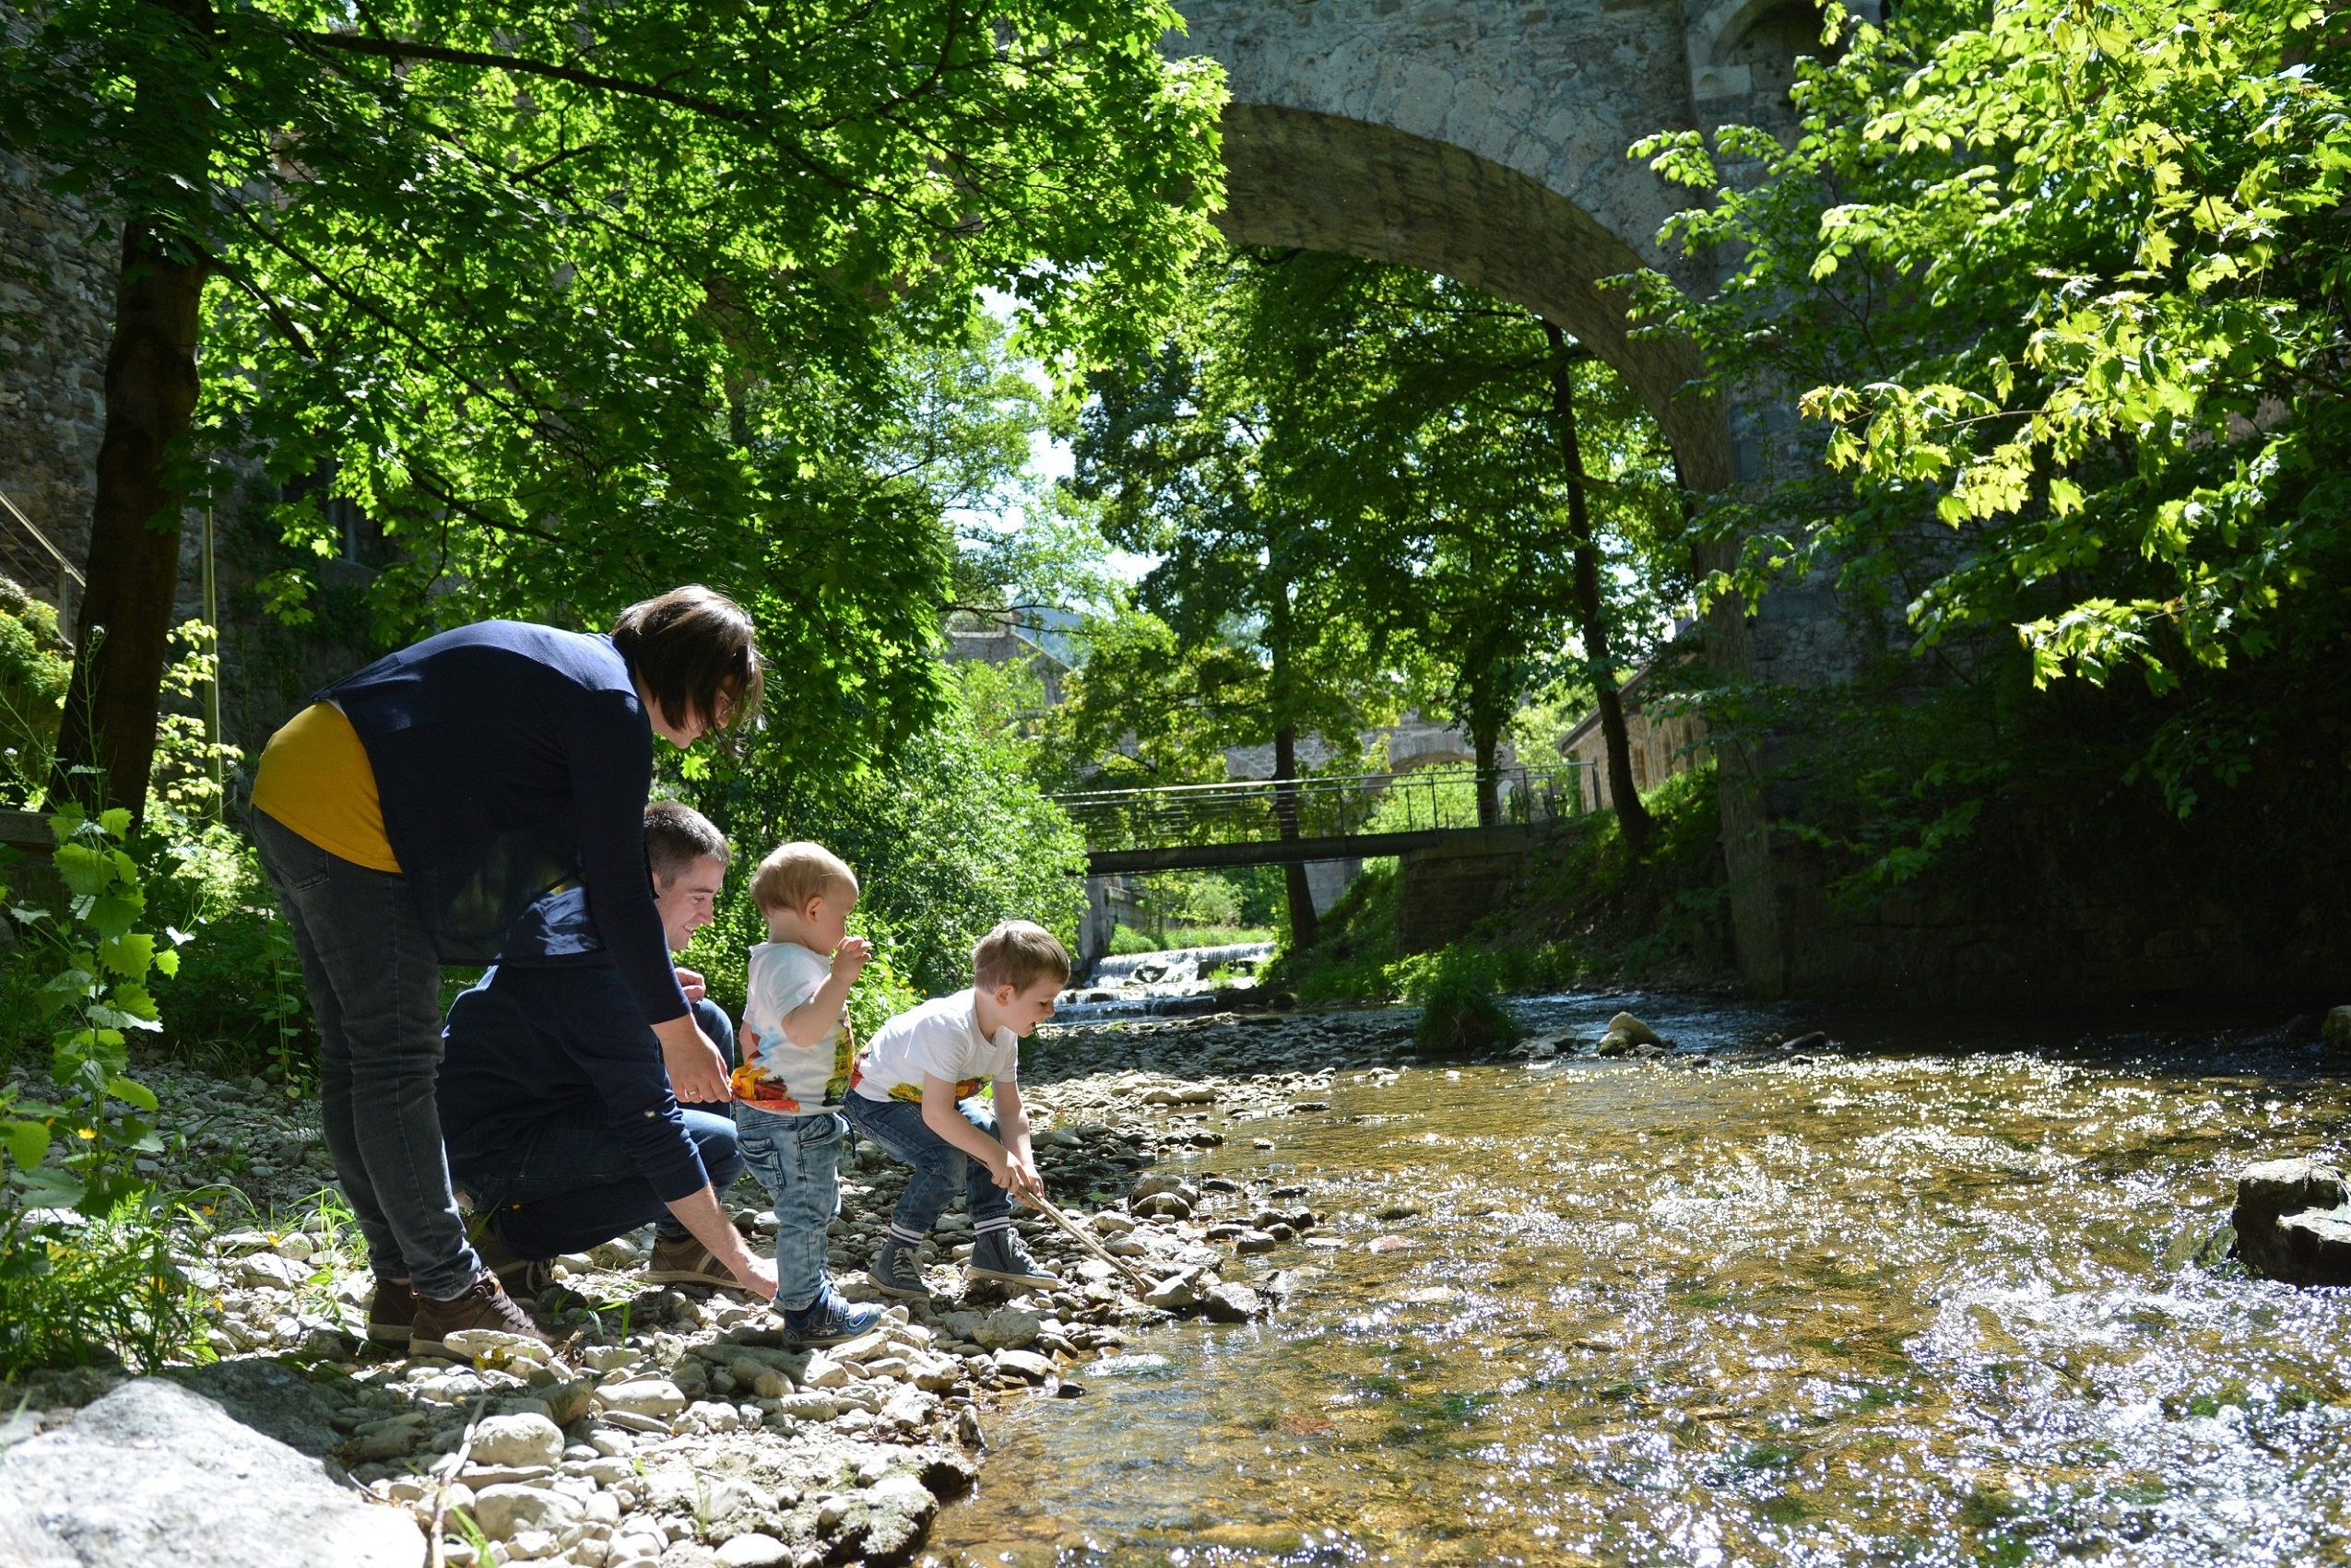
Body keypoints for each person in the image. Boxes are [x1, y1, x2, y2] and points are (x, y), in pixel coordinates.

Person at [247, 587, 761, 1356]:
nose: (719, 721)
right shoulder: (611, 703)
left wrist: (649, 990)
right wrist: (675, 1030)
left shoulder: (575, 671)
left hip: (293, 776)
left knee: (357, 1055)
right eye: (721, 698)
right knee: (395, 1058)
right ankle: (451, 1291)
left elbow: (591, 885)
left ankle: (403, 1286)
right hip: (350, 807)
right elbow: (621, 893)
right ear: (687, 667)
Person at [431, 800, 776, 1315]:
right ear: (650, 883)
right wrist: (746, 1264)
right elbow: (654, 1133)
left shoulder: (595, 912)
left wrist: (658, 992)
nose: (708, 915)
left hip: (545, 1101)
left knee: (705, 1023)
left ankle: (682, 1245)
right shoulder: (593, 966)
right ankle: (505, 1237)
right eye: (699, 897)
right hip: (490, 1146)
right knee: (719, 1147)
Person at [842, 921, 1069, 1300]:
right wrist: (997, 1157)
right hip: (875, 1098)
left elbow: (1010, 1110)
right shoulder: (948, 1027)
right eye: (1044, 1002)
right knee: (945, 1158)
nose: (1052, 1011)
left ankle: (994, 1246)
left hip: (929, 1098)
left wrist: (1022, 1163)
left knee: (989, 1135)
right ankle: (895, 1256)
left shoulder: (1005, 1032)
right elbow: (937, 1116)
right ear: (1006, 994)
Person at [731, 842, 890, 1345]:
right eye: (844, 914)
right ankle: (808, 1311)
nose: (846, 925)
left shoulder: (774, 961)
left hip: (783, 1113)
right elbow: (802, 1029)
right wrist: (840, 978)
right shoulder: (791, 964)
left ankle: (803, 1290)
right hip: (792, 1120)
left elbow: (750, 1034)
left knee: (809, 1206)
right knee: (806, 1211)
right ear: (814, 910)